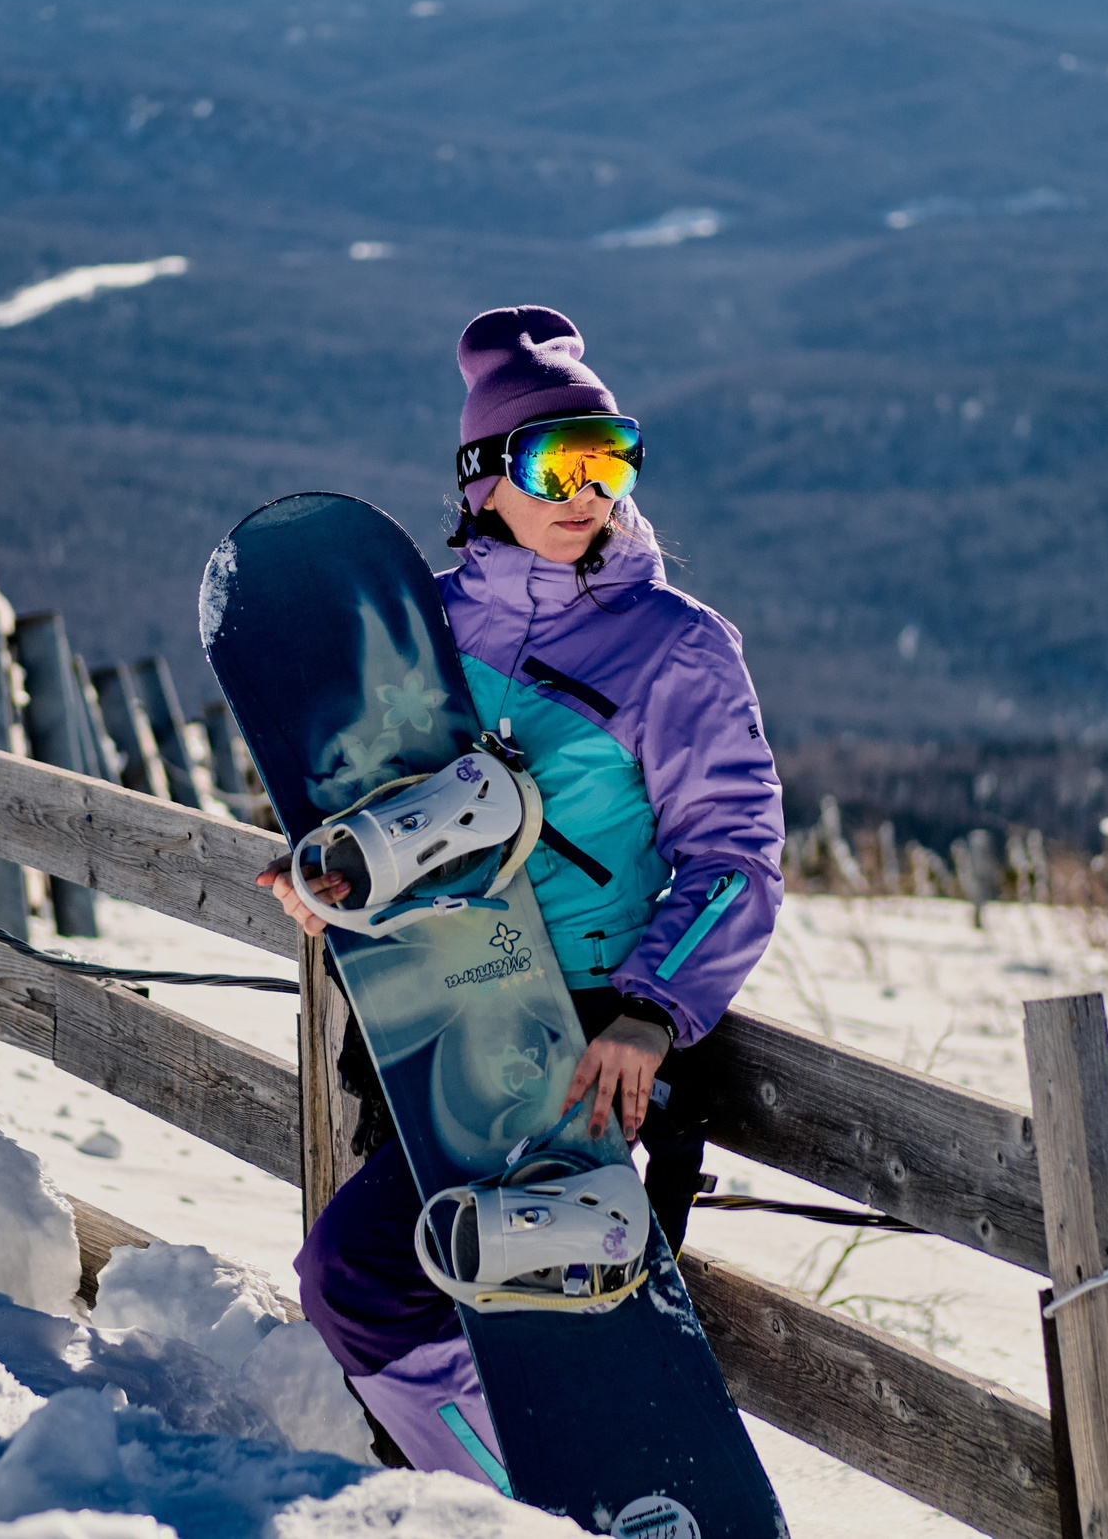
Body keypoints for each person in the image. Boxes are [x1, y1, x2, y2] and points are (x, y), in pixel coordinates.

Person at [258, 305, 784, 1482]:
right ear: (485, 476)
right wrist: (324, 882)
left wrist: (653, 1010)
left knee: (365, 1277)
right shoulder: (422, 628)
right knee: (420, 1283)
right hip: (431, 1018)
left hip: (585, 1035)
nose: (587, 489)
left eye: (611, 458)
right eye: (558, 461)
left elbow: (735, 855)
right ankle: (500, 1491)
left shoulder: (676, 649)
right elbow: (363, 812)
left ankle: (522, 1494)